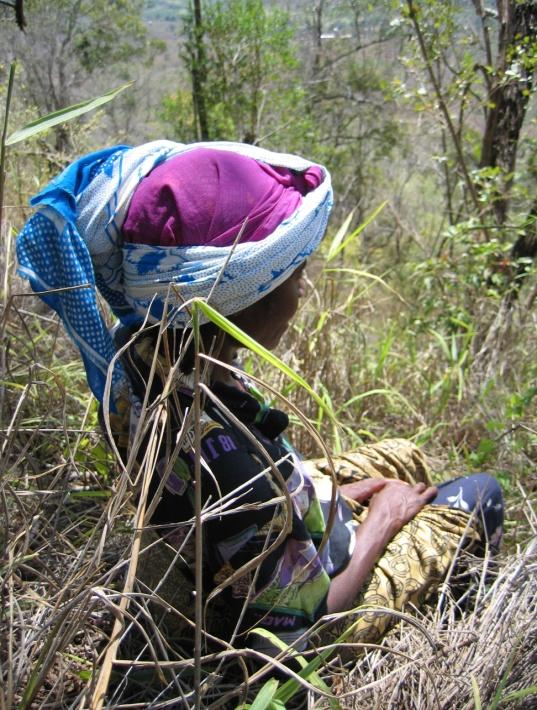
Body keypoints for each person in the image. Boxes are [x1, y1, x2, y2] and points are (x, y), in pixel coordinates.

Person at [16, 141, 503, 655]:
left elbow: (253, 490)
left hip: (263, 533)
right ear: (238, 302)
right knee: (481, 493)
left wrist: (323, 501)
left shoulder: (148, 356)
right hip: (307, 613)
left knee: (407, 456)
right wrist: (383, 522)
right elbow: (298, 633)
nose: (303, 291)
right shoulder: (228, 471)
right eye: (294, 275)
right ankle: (450, 629)